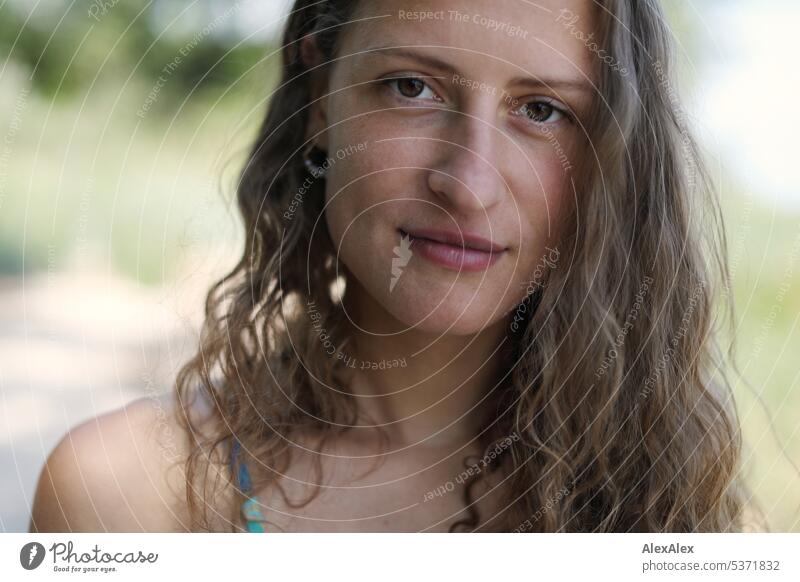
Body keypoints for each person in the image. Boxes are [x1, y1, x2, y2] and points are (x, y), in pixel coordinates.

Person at [30, 0, 748, 533]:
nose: (468, 183)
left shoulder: (680, 512)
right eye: (413, 88)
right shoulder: (128, 495)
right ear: (320, 101)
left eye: (541, 110)